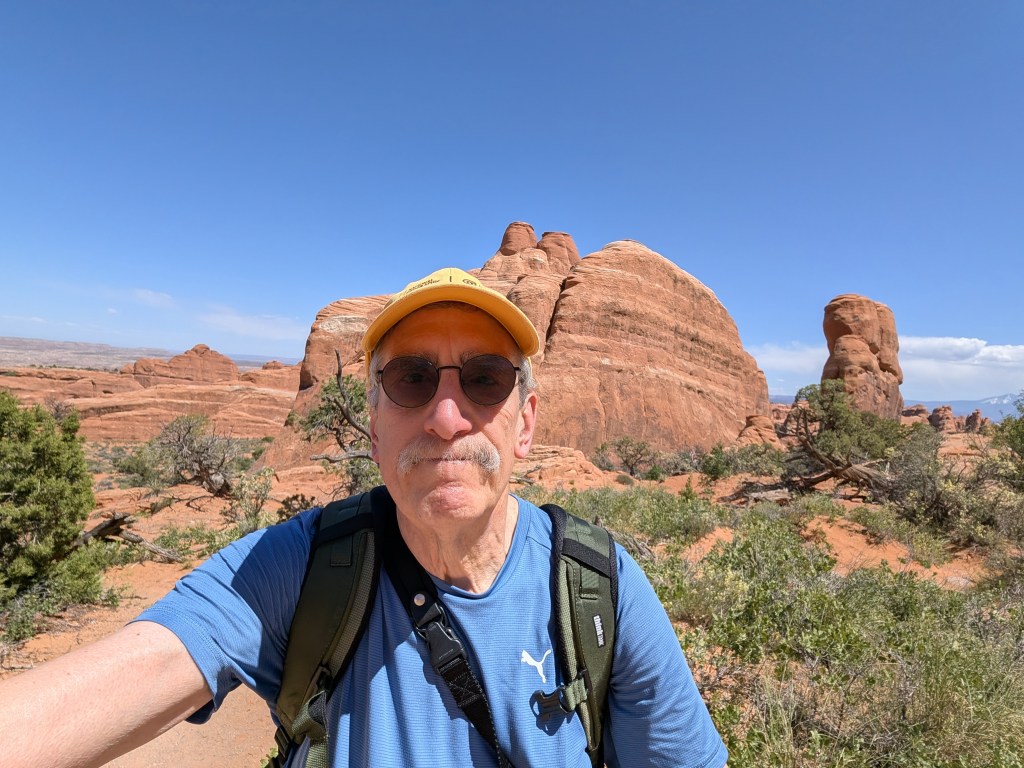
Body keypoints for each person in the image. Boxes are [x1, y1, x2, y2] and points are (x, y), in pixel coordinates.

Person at [0, 267, 728, 768]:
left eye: (484, 380)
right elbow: (137, 671)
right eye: (411, 379)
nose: (447, 417)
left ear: (526, 420)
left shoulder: (599, 590)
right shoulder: (299, 568)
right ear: (371, 423)